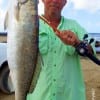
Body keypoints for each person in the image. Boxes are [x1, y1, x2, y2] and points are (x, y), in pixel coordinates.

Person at [27, 0, 95, 100]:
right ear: (42, 0)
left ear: (65, 2)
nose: (54, 0)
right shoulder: (28, 25)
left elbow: (91, 48)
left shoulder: (74, 25)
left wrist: (77, 43)